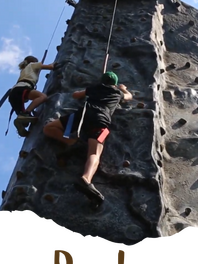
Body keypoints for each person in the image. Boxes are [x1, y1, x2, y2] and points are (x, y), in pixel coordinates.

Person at [43, 71, 133, 204]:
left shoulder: (95, 88)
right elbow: (129, 97)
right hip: (100, 121)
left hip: (82, 115)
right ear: (114, 84)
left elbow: (75, 95)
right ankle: (86, 178)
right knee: (94, 153)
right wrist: (123, 89)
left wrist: (90, 90)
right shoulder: (117, 93)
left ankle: (71, 141)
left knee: (48, 128)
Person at [8, 56, 55, 137]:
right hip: (22, 88)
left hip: (13, 93)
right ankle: (26, 113)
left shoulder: (24, 70)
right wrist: (54, 63)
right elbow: (50, 67)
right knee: (42, 97)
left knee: (24, 120)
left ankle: (22, 124)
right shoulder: (33, 64)